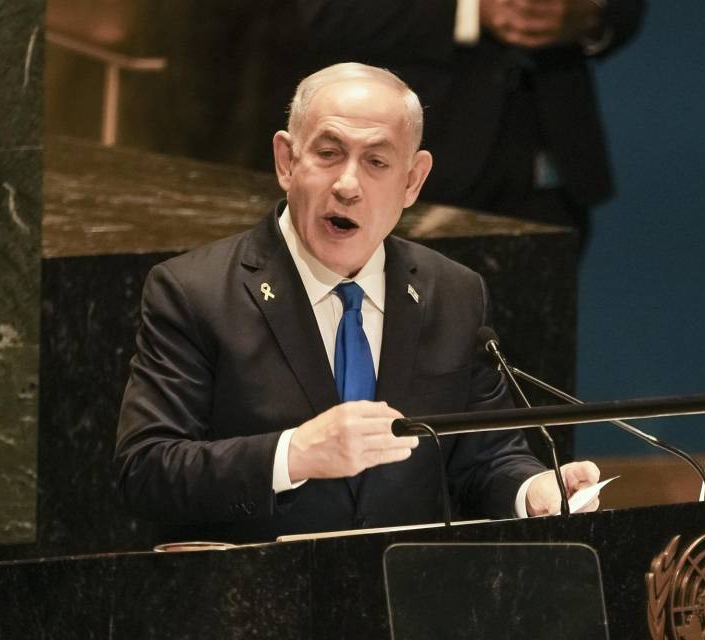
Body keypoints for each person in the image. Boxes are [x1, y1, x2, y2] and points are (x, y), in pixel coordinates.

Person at [115, 62, 601, 543]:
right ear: (286, 161)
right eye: (328, 153)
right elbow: (147, 469)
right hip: (252, 603)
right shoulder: (194, 291)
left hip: (400, 600)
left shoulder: (452, 293)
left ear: (412, 181)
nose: (347, 185)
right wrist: (293, 453)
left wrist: (532, 489)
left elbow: (486, 456)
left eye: (376, 162)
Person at [293, 0, 646, 250]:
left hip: (549, 166)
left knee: (529, 349)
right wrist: (471, 8)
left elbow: (624, 9)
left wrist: (590, 14)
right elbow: (319, 12)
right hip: (409, 171)